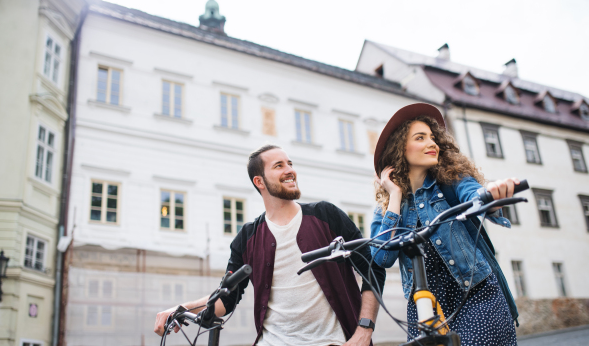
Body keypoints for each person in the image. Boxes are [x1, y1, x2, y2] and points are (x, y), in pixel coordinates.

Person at [154, 144, 386, 346]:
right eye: (279, 166)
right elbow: (225, 299)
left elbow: (372, 268)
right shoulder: (247, 237)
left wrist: (364, 331)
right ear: (259, 181)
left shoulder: (327, 216)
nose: (290, 170)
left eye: (290, 163)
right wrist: (181, 309)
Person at [370, 103, 519, 346]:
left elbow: (474, 195)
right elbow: (382, 258)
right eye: (421, 137)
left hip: (475, 294)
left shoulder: (452, 181)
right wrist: (395, 196)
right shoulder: (386, 208)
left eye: (433, 137)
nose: (432, 143)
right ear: (399, 149)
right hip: (424, 306)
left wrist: (491, 196)